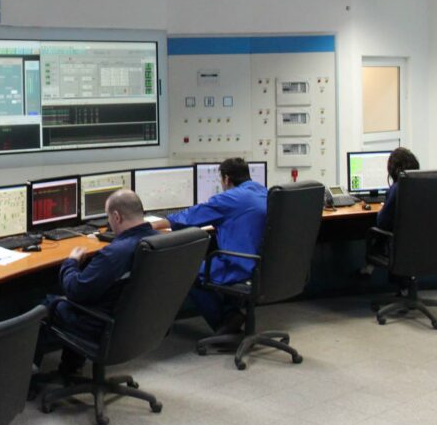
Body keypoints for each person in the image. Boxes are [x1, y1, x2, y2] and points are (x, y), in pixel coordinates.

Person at [40, 188, 154, 375]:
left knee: (46, 306)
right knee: (86, 298)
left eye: (108, 218)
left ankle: (28, 380)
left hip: (103, 327)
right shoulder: (159, 242)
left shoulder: (115, 253)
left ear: (116, 217)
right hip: (142, 324)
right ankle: (70, 370)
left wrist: (71, 262)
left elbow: (75, 290)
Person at [167, 157, 267, 334]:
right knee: (214, 257)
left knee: (186, 271)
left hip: (242, 266)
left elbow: (187, 218)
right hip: (264, 266)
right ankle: (232, 313)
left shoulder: (230, 198)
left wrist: (155, 222)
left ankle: (225, 320)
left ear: (226, 179)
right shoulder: (265, 192)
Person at [376, 147, 420, 231]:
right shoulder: (422, 187)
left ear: (394, 170)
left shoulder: (396, 188)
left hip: (395, 238)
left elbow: (382, 222)